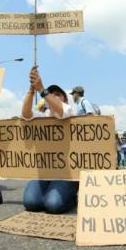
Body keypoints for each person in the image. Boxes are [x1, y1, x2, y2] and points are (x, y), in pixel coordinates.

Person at [21, 66, 76, 214]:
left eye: (58, 94)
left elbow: (61, 111)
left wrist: (43, 90)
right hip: (44, 171)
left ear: (65, 99)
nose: (53, 95)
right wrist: (32, 91)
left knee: (53, 205)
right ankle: (50, 192)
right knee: (31, 203)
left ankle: (71, 196)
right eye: (51, 93)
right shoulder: (41, 117)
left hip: (65, 174)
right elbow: (26, 115)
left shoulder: (68, 111)